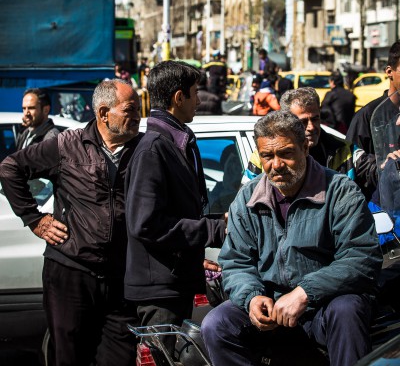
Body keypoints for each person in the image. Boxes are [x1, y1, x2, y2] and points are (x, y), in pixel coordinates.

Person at [201, 111, 382, 366]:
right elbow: (236, 262)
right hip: (272, 309)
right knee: (216, 323)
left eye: (285, 153)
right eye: (267, 156)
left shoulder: (340, 191)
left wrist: (305, 292)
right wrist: (252, 297)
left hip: (324, 307)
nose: (276, 164)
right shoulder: (248, 197)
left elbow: (361, 257)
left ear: (305, 148)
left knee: (347, 310)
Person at [0, 79, 143, 366]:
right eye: (131, 109)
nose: (138, 116)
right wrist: (35, 219)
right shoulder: (68, 145)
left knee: (120, 357)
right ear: (104, 113)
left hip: (121, 277)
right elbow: (10, 168)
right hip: (70, 273)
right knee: (68, 357)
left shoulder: (144, 150)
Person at [124, 61, 226, 352]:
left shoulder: (174, 141)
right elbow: (145, 223)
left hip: (174, 280)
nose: (200, 100)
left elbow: (179, 212)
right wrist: (217, 229)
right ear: (178, 97)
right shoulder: (154, 148)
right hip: (159, 290)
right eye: (195, 92)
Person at [346, 41, 400, 201]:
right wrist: (383, 166)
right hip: (381, 207)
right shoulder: (368, 115)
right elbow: (352, 160)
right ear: (389, 72)